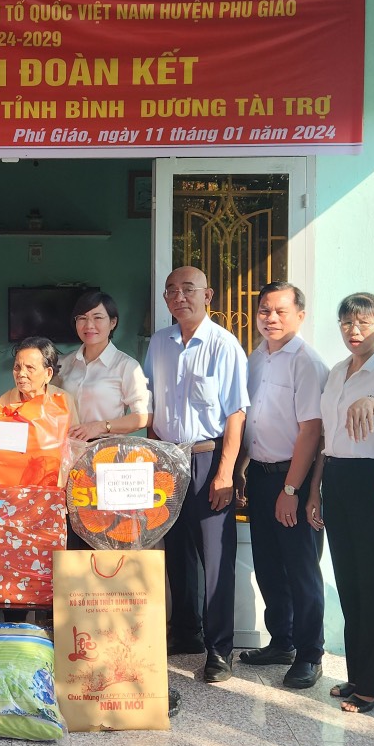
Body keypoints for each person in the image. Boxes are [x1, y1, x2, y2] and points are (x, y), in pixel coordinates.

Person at [144, 266, 248, 684]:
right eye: (171, 290)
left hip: (208, 458)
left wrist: (226, 472)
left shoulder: (224, 345)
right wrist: (154, 458)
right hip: (168, 459)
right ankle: (187, 633)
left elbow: (236, 413)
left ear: (208, 295)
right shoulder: (159, 343)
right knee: (177, 550)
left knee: (216, 557)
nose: (179, 296)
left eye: (188, 289)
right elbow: (150, 405)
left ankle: (220, 649)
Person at [313, 292, 374, 714]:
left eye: (364, 323)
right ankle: (358, 676)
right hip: (336, 476)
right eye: (347, 323)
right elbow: (327, 436)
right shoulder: (337, 371)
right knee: (348, 581)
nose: (354, 331)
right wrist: (316, 488)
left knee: (370, 583)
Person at [237, 281, 328, 690]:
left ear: (300, 316)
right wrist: (242, 467)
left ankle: (310, 654)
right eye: (264, 310)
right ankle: (282, 642)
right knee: (269, 565)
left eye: (280, 311)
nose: (270, 318)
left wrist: (291, 491)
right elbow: (252, 419)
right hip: (259, 473)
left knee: (301, 570)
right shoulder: (256, 357)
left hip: (293, 477)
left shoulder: (306, 362)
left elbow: (311, 431)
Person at [55, 290, 149, 551]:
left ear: (113, 322)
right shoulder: (65, 364)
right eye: (82, 318)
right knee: (70, 532)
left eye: (98, 317)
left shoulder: (126, 366)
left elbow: (143, 416)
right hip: (68, 459)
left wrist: (101, 426)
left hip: (107, 459)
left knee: (106, 533)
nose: (90, 325)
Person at [0, 335, 79, 422]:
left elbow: (73, 431)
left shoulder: (64, 401)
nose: (21, 373)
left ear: (48, 373)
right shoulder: (5, 401)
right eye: (17, 367)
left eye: (30, 367)